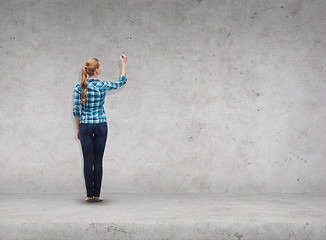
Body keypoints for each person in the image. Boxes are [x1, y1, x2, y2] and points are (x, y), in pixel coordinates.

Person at [73, 54, 128, 203]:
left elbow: (76, 111)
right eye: (100, 67)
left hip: (85, 125)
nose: (101, 69)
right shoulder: (103, 85)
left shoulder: (79, 87)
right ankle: (97, 194)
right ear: (96, 70)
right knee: (98, 160)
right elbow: (122, 81)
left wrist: (78, 129)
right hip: (101, 125)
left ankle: (89, 195)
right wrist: (123, 63)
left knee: (87, 161)